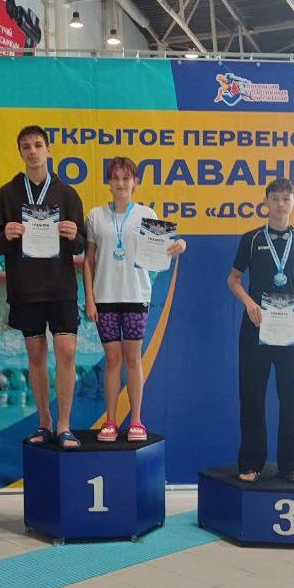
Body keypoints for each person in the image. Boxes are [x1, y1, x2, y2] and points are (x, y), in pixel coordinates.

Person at [0, 124, 86, 449]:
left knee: (67, 352)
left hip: (60, 287)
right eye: (26, 147)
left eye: (37, 145)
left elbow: (81, 245)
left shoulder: (67, 194)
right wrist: (6, 235)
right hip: (26, 287)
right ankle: (45, 422)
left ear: (48, 149)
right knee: (36, 355)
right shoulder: (7, 194)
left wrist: (73, 235)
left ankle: (65, 425)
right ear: (20, 152)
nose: (32, 151)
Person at [83, 157, 186, 441]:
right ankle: (110, 422)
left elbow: (162, 249)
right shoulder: (95, 216)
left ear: (135, 182)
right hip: (105, 298)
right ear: (109, 182)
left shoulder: (146, 214)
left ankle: (137, 421)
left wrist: (179, 244)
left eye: (126, 178)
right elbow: (89, 261)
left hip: (136, 296)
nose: (121, 183)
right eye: (115, 178)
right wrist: (90, 299)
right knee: (112, 360)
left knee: (133, 359)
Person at [228, 177, 294, 484]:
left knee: (290, 396)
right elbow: (233, 279)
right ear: (265, 202)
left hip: (289, 328)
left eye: (286, 199)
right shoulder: (252, 238)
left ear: (293, 202)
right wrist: (249, 304)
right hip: (257, 326)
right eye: (275, 198)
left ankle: (291, 464)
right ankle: (251, 462)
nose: (280, 204)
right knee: (252, 395)